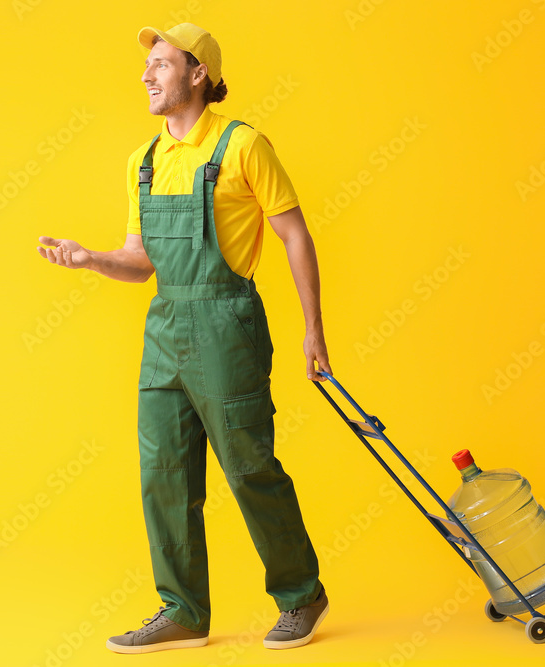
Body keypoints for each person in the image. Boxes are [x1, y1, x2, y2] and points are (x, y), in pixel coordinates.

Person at [36, 22, 330, 655]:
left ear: (198, 75)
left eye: (162, 64)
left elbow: (295, 236)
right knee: (163, 473)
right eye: (149, 66)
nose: (147, 75)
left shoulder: (244, 145)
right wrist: (89, 258)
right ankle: (182, 610)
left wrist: (314, 331)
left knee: (249, 465)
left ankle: (300, 594)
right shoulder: (144, 162)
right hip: (166, 327)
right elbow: (141, 263)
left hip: (227, 324)